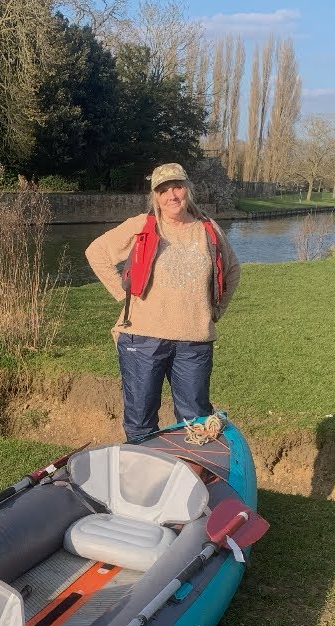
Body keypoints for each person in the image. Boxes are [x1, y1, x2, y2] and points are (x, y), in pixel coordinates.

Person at [85, 162, 241, 442]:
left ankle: (193, 478)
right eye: (163, 190)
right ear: (155, 196)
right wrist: (124, 296)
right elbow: (96, 252)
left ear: (188, 190)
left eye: (177, 187)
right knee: (141, 421)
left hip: (194, 340)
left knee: (196, 421)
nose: (172, 195)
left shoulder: (207, 229)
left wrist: (216, 309)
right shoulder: (141, 226)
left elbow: (232, 270)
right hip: (142, 339)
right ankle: (144, 480)